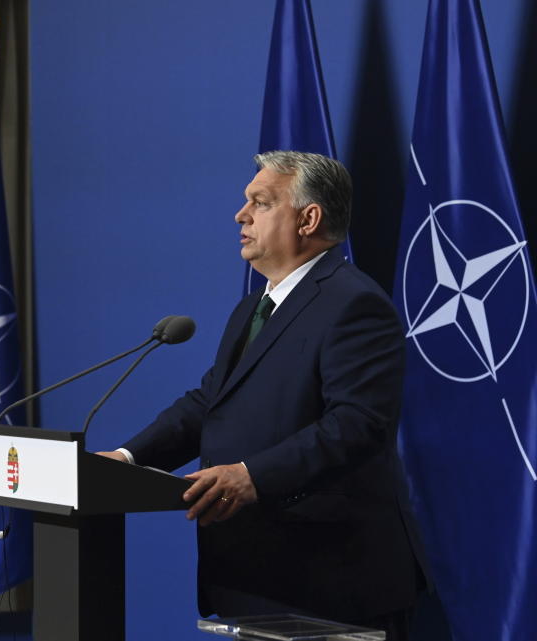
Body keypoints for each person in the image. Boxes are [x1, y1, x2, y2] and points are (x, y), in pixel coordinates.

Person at [99, 151, 424, 640]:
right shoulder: (253, 306)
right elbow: (210, 402)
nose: (241, 215)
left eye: (261, 202)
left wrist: (252, 475)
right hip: (255, 573)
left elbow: (356, 425)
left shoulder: (354, 304)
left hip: (330, 578)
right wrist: (126, 458)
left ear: (308, 218)